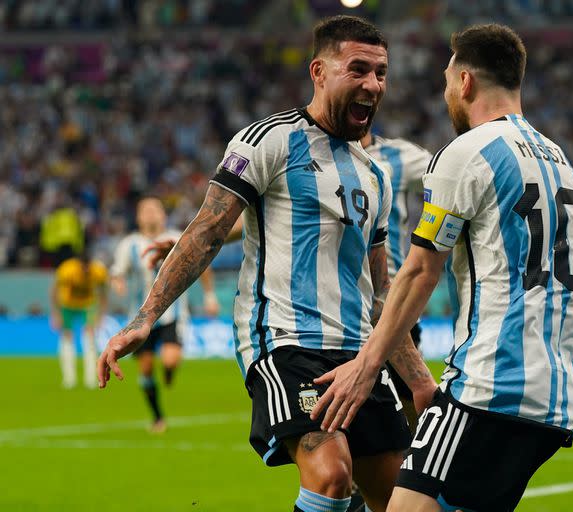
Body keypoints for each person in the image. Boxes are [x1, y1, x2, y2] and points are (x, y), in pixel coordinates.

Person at [97, 16, 434, 512]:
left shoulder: (376, 177)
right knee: (331, 473)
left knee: (401, 499)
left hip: (358, 355)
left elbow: (381, 294)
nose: (372, 84)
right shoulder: (267, 141)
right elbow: (208, 230)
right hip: (285, 342)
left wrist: (420, 380)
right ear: (319, 71)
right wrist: (146, 317)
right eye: (358, 69)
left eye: (381, 73)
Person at [312, 24, 573, 511]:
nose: (445, 95)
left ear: (464, 82)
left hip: (487, 388)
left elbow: (419, 272)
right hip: (555, 400)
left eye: (445, 82)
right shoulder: (559, 161)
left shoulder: (466, 153)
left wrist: (366, 365)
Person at [111, 195, 220, 433]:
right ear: (138, 217)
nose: (150, 213)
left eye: (155, 209)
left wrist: (209, 297)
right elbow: (118, 271)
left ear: (163, 214)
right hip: (141, 317)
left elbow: (201, 264)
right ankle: (158, 417)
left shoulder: (177, 237)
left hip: (173, 313)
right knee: (147, 368)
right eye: (145, 210)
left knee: (170, 360)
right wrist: (118, 282)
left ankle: (169, 372)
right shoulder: (129, 244)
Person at [50, 249, 108, 389]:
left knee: (89, 339)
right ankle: (69, 379)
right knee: (67, 338)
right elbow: (54, 290)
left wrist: (101, 315)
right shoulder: (67, 269)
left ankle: (91, 379)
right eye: (83, 267)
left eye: (88, 266)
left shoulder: (98, 271)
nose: (86, 270)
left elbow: (103, 292)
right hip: (67, 305)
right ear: (78, 264)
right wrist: (56, 314)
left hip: (87, 305)